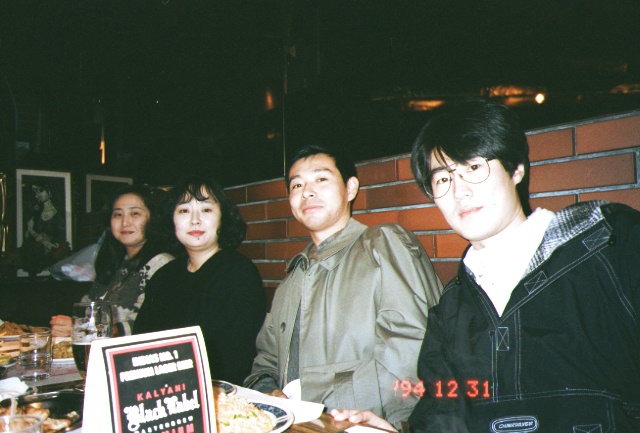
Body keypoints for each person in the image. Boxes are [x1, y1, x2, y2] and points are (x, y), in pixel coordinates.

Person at [332, 98, 640, 432]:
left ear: (516, 169)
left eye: (474, 168)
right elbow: (441, 420)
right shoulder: (449, 311)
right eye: (443, 179)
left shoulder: (609, 244)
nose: (460, 192)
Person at [244, 145, 443, 429]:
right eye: (297, 185)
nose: (307, 192)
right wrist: (269, 392)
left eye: (321, 179)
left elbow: (413, 355)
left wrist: (314, 402)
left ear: (350, 189)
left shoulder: (382, 245)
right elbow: (266, 359)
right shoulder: (291, 280)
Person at [134, 177, 266, 385]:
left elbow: (231, 360)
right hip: (158, 388)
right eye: (184, 210)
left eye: (206, 209)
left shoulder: (238, 272)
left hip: (215, 391)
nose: (195, 220)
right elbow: (139, 342)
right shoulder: (164, 276)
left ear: (222, 218)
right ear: (171, 219)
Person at [50, 185, 174, 337]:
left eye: (135, 213)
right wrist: (72, 325)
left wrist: (84, 330)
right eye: (118, 214)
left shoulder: (162, 264)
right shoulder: (116, 262)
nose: (125, 222)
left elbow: (148, 325)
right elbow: (87, 307)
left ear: (153, 219)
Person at [19, 183, 69, 275]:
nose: (38, 194)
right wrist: (32, 232)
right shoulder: (35, 215)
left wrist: (51, 244)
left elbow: (59, 241)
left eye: (41, 190)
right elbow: (28, 236)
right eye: (36, 192)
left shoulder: (60, 215)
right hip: (36, 255)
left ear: (49, 191)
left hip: (51, 257)